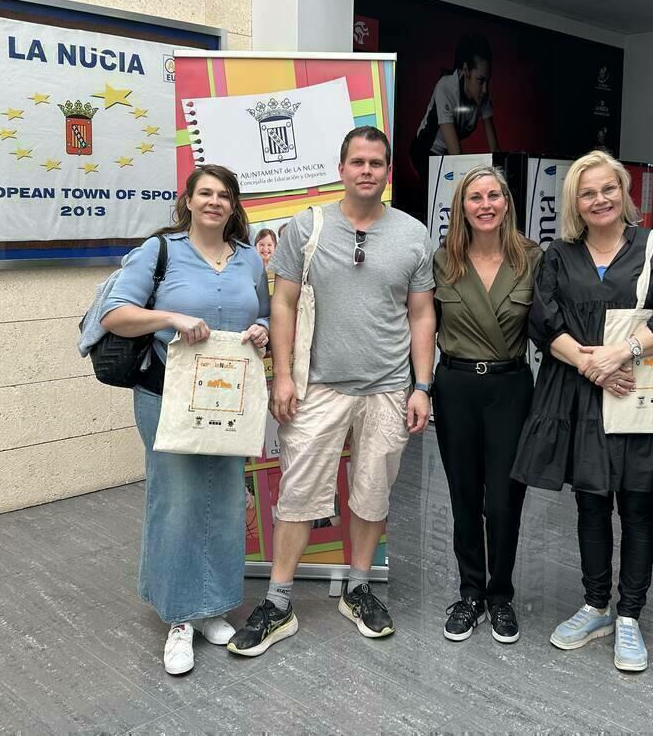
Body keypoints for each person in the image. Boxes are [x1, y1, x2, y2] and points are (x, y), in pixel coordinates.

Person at [228, 125, 435, 657]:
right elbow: (284, 303)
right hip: (318, 387)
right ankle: (278, 602)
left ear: (388, 173)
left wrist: (423, 385)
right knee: (297, 493)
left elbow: (421, 313)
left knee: (372, 492)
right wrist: (282, 375)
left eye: (377, 163)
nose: (367, 171)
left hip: (389, 389)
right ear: (341, 169)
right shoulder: (307, 227)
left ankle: (359, 589)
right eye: (358, 162)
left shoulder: (413, 235)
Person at [513, 149, 653, 673]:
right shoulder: (558, 254)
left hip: (638, 393)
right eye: (587, 192)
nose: (599, 199)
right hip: (577, 395)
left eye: (608, 188)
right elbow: (543, 322)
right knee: (591, 503)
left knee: (637, 505)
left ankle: (630, 617)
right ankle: (596, 605)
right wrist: (594, 366)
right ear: (575, 201)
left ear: (625, 192)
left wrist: (622, 353)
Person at [99, 163, 271, 677]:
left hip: (227, 401)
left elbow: (262, 311)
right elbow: (115, 313)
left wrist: (261, 329)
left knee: (222, 498)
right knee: (176, 499)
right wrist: (171, 318)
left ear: (234, 205)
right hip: (166, 398)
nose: (215, 202)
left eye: (224, 195)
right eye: (206, 194)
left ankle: (212, 607)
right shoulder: (161, 251)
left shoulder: (247, 260)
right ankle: (178, 618)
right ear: (189, 201)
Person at [432, 165, 542, 644]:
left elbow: (558, 323)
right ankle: (470, 593)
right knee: (462, 497)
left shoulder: (533, 259)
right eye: (474, 197)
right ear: (461, 208)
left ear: (506, 201)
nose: (485, 205)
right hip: (455, 386)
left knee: (503, 501)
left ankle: (501, 595)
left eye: (493, 195)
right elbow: (418, 325)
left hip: (510, 387)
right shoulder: (442, 261)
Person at [410, 32, 498, 177]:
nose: (485, 89)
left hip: (445, 155)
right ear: (465, 70)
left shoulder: (482, 95)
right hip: (424, 151)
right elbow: (456, 156)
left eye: (487, 81)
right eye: (480, 80)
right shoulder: (446, 88)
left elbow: (495, 150)